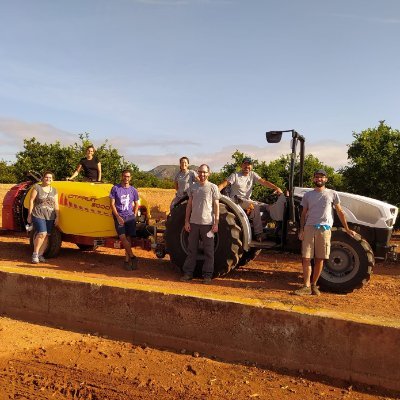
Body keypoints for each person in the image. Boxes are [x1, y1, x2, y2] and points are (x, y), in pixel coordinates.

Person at [294, 169, 356, 296]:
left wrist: (347, 229)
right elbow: (304, 213)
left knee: (319, 259)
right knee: (306, 258)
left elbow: (340, 212)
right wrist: (302, 229)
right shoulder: (308, 195)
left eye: (321, 177)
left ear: (326, 179)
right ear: (314, 179)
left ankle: (314, 285)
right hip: (309, 228)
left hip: (324, 229)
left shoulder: (332, 194)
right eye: (317, 177)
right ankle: (305, 286)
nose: (319, 179)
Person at [218, 157, 283, 241]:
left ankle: (277, 230)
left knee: (269, 207)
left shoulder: (253, 174)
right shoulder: (235, 175)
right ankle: (258, 233)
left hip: (248, 200)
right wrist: (215, 191)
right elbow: (224, 184)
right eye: (245, 164)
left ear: (251, 166)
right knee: (255, 206)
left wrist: (276, 188)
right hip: (237, 200)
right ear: (242, 165)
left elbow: (263, 182)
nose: (247, 166)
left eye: (249, 165)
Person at [180, 164, 220, 285]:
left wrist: (216, 223)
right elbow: (189, 205)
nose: (202, 174)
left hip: (207, 224)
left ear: (209, 173)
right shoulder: (193, 187)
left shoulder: (213, 187)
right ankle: (188, 273)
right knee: (192, 250)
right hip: (194, 224)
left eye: (204, 172)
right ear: (198, 173)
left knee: (209, 251)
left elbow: (216, 206)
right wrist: (187, 221)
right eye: (200, 172)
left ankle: (207, 275)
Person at [27, 171, 59, 264]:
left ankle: (40, 254)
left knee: (47, 236)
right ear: (43, 178)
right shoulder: (37, 187)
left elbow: (56, 204)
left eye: (50, 178)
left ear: (52, 180)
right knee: (42, 233)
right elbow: (31, 201)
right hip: (38, 213)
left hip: (50, 215)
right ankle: (35, 254)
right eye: (46, 177)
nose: (48, 179)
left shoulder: (54, 190)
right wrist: (29, 214)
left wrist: (58, 217)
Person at [110, 170, 139, 270]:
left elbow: (136, 204)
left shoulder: (133, 190)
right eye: (125, 176)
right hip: (119, 216)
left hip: (129, 217)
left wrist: (134, 215)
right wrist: (117, 216)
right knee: (122, 237)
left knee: (128, 239)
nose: (126, 178)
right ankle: (133, 257)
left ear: (130, 178)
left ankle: (127, 261)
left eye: (128, 176)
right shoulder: (115, 188)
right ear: (122, 177)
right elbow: (112, 204)